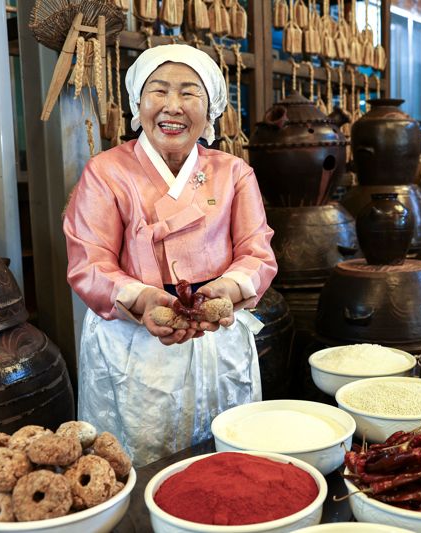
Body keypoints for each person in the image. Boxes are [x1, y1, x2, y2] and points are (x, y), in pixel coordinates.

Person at [62, 44, 277, 466]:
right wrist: (143, 301)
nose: (172, 107)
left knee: (222, 458)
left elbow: (257, 251)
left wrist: (227, 290)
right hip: (133, 336)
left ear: (210, 106)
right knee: (136, 457)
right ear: (137, 102)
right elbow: (90, 262)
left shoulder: (234, 173)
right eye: (158, 91)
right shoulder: (105, 172)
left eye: (189, 93)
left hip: (215, 328)